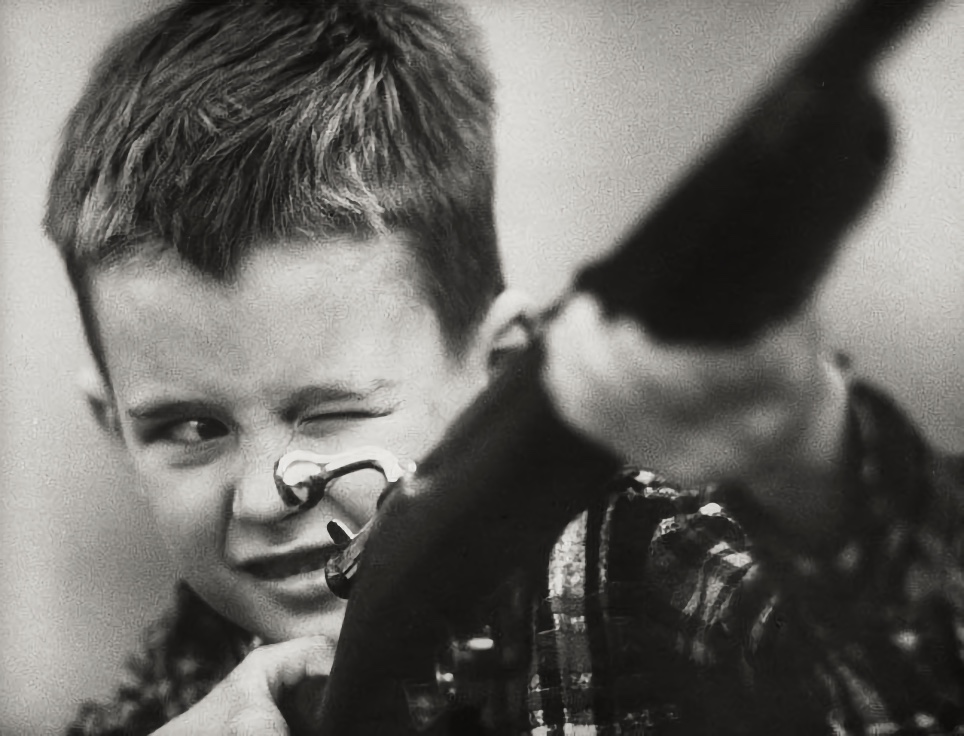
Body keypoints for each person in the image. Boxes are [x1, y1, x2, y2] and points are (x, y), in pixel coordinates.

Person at [43, 0, 963, 733]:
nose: (257, 500)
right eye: (190, 428)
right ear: (115, 429)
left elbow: (900, 683)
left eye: (328, 413)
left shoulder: (637, 556)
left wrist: (808, 460)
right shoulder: (194, 663)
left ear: (501, 362)